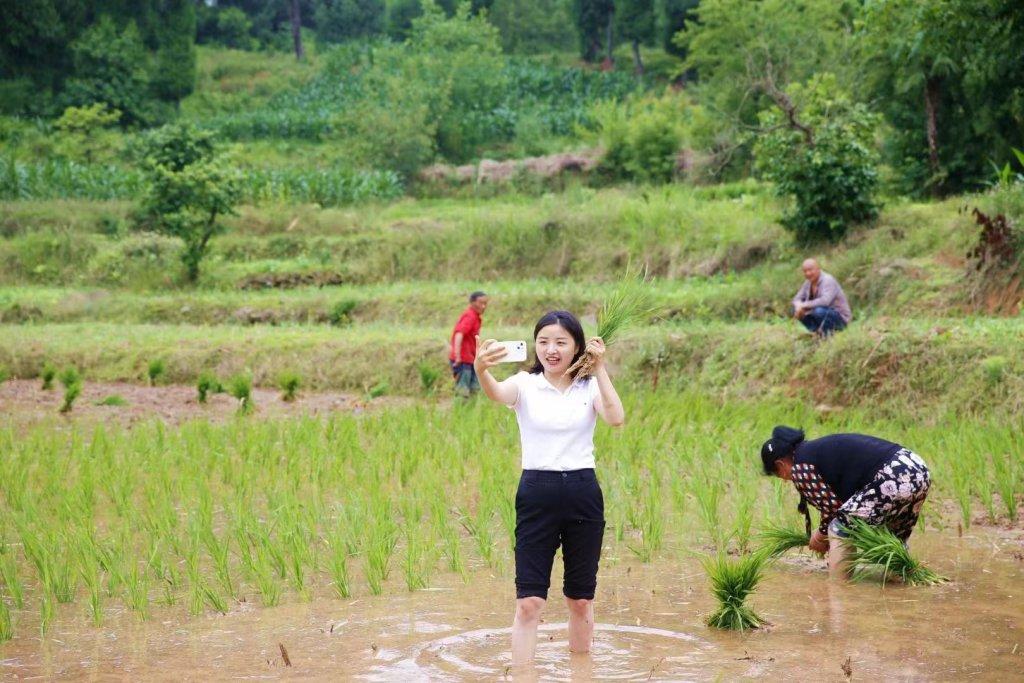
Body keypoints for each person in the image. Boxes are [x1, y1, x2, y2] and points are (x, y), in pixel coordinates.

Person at [473, 310, 625, 667]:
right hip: (536, 493)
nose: (550, 350)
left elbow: (616, 418)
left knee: (581, 599)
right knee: (529, 602)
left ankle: (581, 672)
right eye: (543, 341)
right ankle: (523, 675)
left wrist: (600, 368)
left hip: (582, 493)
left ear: (577, 347)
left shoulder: (589, 388)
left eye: (560, 342)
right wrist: (481, 370)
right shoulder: (525, 384)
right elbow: (496, 392)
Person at [760, 426, 932, 579]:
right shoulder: (812, 451)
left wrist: (820, 536)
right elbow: (846, 504)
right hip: (917, 469)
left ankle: (838, 591)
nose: (783, 480)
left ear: (780, 464)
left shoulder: (800, 467)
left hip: (893, 476)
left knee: (839, 528)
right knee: (892, 540)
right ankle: (905, 579)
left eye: (777, 474)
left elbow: (833, 509)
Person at [792, 259, 852, 336]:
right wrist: (798, 306)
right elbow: (796, 299)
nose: (808, 273)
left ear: (818, 269)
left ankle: (828, 334)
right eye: (805, 271)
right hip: (821, 314)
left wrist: (804, 305)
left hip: (840, 319)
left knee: (819, 311)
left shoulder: (828, 280)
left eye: (810, 270)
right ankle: (817, 332)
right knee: (795, 309)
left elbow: (825, 301)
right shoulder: (808, 283)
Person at [449, 291, 488, 396]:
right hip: (463, 360)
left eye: (485, 303)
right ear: (472, 302)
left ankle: (471, 411)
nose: (483, 306)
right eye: (481, 303)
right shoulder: (470, 316)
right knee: (463, 391)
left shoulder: (475, 317)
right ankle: (460, 410)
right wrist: (457, 356)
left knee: (474, 389)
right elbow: (459, 334)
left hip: (470, 359)